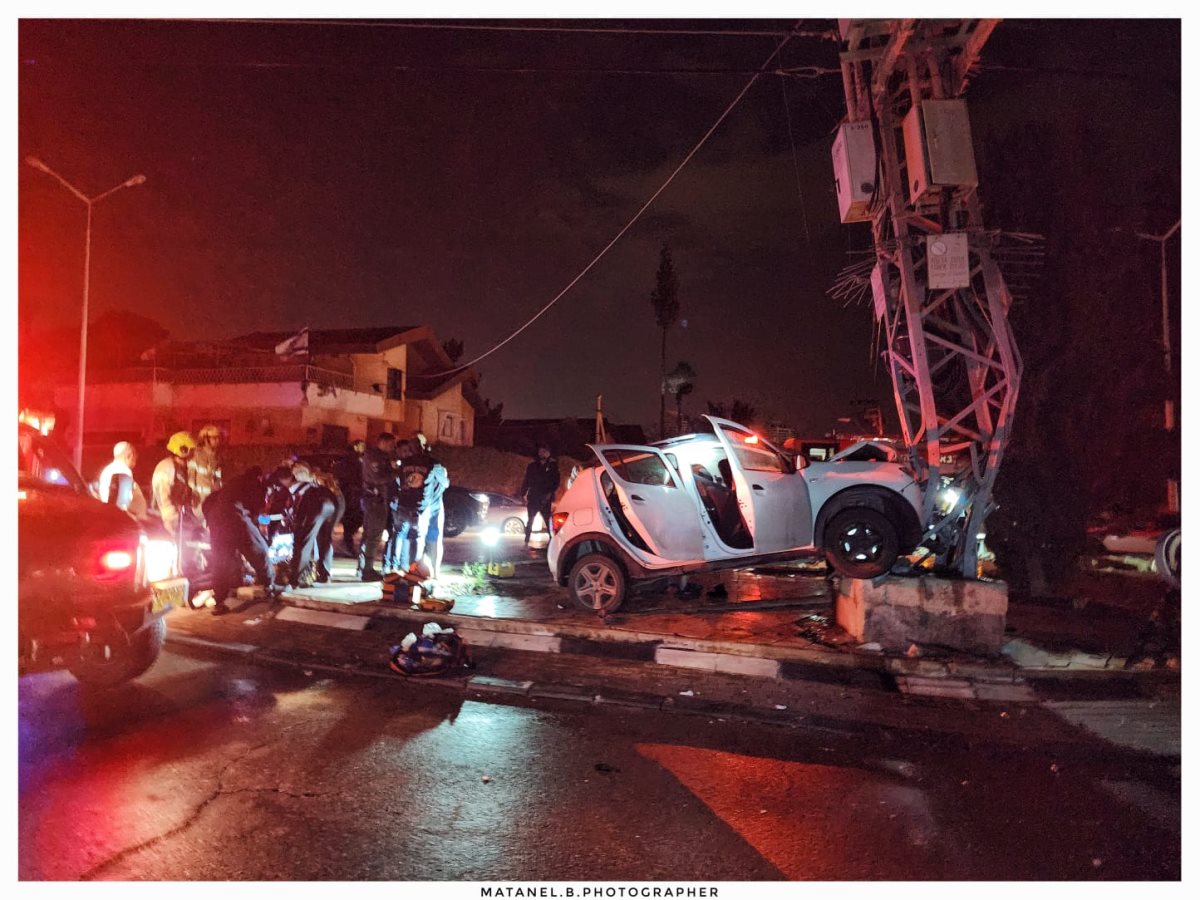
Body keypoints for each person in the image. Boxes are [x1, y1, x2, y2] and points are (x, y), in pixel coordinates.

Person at [202, 467, 274, 616]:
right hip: (237, 519)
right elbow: (260, 513)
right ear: (259, 477)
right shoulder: (255, 485)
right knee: (260, 550)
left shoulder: (231, 484)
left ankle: (219, 602)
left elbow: (208, 502)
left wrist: (210, 522)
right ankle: (269, 586)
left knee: (221, 562)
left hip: (217, 522)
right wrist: (263, 530)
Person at [393, 439, 450, 583]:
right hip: (429, 506)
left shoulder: (404, 463)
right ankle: (430, 573)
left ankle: (405, 570)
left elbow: (399, 482)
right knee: (431, 539)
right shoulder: (433, 464)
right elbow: (445, 483)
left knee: (408, 537)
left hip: (409, 505)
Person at [274, 465, 338, 587]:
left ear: (284, 480)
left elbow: (298, 512)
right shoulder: (307, 484)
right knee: (324, 540)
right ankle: (324, 574)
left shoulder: (295, 491)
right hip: (332, 503)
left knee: (304, 542)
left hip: (317, 506)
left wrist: (296, 529)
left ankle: (295, 580)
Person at [357, 433, 397, 581]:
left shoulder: (379, 456)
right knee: (373, 535)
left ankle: (363, 567)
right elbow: (378, 478)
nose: (392, 447)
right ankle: (367, 570)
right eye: (391, 444)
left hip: (374, 499)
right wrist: (395, 472)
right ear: (383, 442)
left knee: (369, 534)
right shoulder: (374, 457)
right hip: (375, 500)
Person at [151, 431, 200, 540]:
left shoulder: (183, 467)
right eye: (191, 450)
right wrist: (171, 518)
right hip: (167, 519)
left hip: (181, 517)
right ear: (183, 449)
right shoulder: (166, 467)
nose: (193, 453)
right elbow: (162, 496)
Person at [519, 444, 560, 546]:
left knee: (548, 520)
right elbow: (527, 480)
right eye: (541, 451)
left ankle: (553, 540)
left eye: (544, 452)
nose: (542, 454)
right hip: (534, 497)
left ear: (548, 453)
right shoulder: (532, 466)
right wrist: (523, 493)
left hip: (545, 497)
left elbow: (556, 482)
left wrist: (550, 493)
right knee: (530, 520)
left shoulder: (553, 466)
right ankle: (526, 540)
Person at [98, 441, 148, 518]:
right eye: (135, 456)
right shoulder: (123, 471)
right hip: (118, 517)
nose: (135, 461)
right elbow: (122, 503)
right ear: (130, 455)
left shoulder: (108, 469)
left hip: (107, 513)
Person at [333, 440, 366, 555]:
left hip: (351, 494)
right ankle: (348, 544)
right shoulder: (353, 461)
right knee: (352, 519)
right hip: (351, 494)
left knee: (352, 520)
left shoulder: (353, 460)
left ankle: (348, 542)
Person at [189, 424, 225, 513]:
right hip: (199, 499)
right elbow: (191, 476)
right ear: (205, 439)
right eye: (214, 438)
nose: (217, 440)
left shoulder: (216, 456)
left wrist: (218, 491)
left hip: (212, 498)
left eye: (218, 438)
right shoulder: (197, 455)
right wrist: (193, 493)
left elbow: (218, 477)